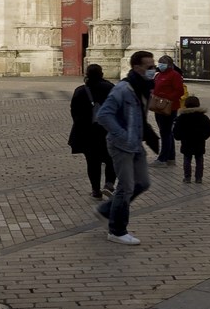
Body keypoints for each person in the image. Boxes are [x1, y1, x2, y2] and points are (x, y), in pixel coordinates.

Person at [94, 50, 158, 244]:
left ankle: (106, 210)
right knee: (126, 186)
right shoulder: (123, 88)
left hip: (135, 143)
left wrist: (149, 135)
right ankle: (117, 230)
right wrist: (121, 134)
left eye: (153, 66)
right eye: (149, 67)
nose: (153, 70)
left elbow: (140, 116)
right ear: (137, 67)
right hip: (121, 145)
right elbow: (104, 115)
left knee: (143, 183)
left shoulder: (144, 88)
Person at [68, 62, 116, 198]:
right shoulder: (110, 88)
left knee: (92, 162)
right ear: (102, 74)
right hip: (107, 130)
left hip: (87, 132)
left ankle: (95, 190)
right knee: (111, 158)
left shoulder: (80, 90)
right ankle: (109, 183)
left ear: (87, 75)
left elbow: (74, 111)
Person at [149, 53, 186, 164]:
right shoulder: (159, 75)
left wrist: (166, 98)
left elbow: (179, 91)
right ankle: (170, 157)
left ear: (169, 65)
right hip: (158, 106)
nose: (160, 65)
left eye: (163, 64)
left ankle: (163, 158)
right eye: (160, 63)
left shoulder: (174, 75)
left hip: (169, 107)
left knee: (165, 132)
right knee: (165, 132)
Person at [171, 94, 210, 182]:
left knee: (187, 159)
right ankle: (198, 178)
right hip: (199, 142)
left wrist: (179, 137)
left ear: (185, 104)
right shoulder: (203, 117)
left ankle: (187, 177)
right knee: (199, 160)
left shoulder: (182, 117)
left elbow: (176, 130)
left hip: (186, 142)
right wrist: (204, 136)